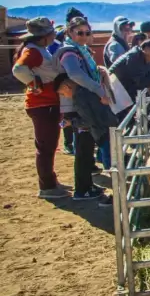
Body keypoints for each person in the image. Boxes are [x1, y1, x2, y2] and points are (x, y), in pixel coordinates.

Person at [53, 17, 112, 201]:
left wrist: (99, 72)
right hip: (76, 104)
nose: (84, 36)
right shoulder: (70, 52)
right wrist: (98, 89)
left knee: (87, 144)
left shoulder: (81, 51)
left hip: (83, 102)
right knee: (84, 146)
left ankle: (86, 185)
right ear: (70, 33)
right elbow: (76, 74)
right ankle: (82, 189)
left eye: (87, 33)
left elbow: (84, 73)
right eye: (80, 33)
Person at [12, 17, 69, 199]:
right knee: (45, 146)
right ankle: (47, 186)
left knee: (49, 144)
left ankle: (50, 181)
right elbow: (18, 69)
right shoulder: (34, 52)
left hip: (47, 103)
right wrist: (35, 84)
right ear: (45, 36)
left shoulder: (39, 50)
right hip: (43, 104)